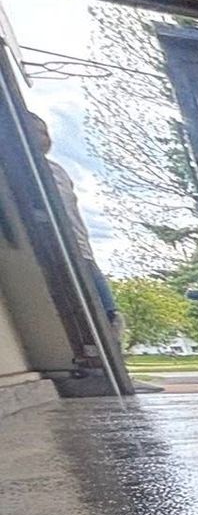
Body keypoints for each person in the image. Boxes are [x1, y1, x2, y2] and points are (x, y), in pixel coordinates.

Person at [27, 113, 124, 348]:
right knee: (74, 314)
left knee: (110, 314)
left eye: (46, 131)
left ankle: (116, 364)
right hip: (52, 252)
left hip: (81, 251)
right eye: (37, 130)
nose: (45, 137)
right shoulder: (21, 173)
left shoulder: (58, 171)